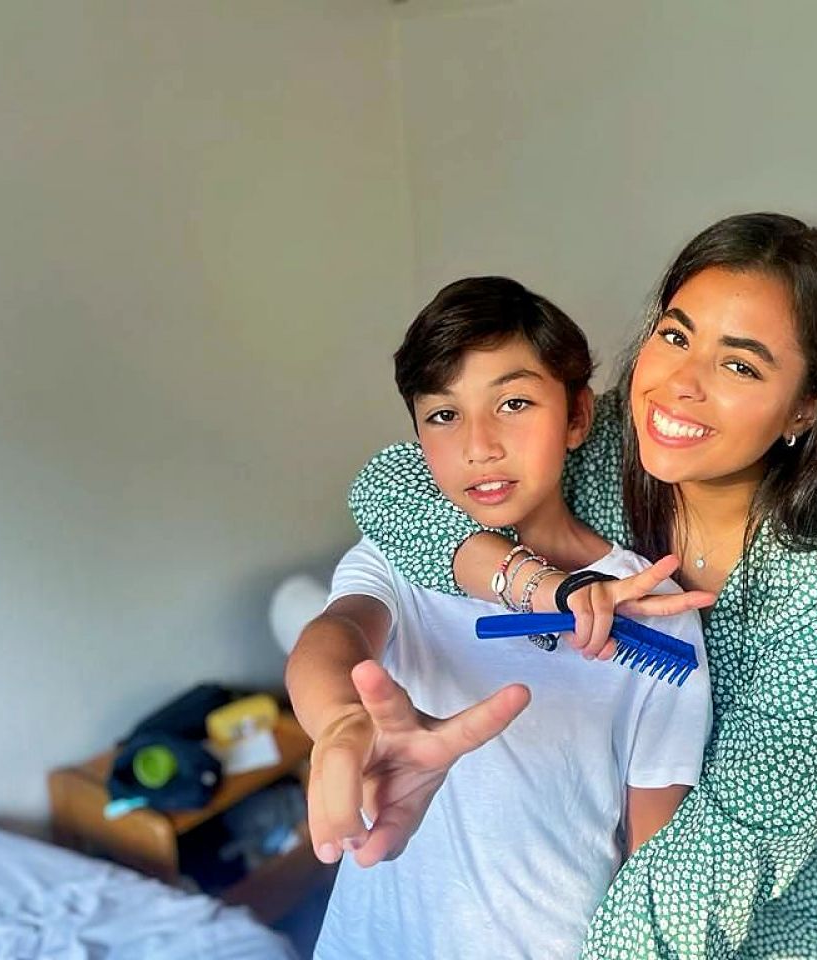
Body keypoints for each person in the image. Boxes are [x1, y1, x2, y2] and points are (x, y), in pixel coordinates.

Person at [345, 214, 817, 958]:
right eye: (674, 336)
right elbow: (392, 483)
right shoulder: (612, 444)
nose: (679, 386)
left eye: (740, 367)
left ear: (808, 405)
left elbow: (734, 836)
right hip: (646, 862)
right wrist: (531, 583)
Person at [286, 276, 713, 960]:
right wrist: (340, 722)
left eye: (513, 403)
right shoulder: (401, 557)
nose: (478, 445)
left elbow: (652, 854)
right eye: (443, 415)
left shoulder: (651, 610)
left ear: (577, 417)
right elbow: (334, 636)